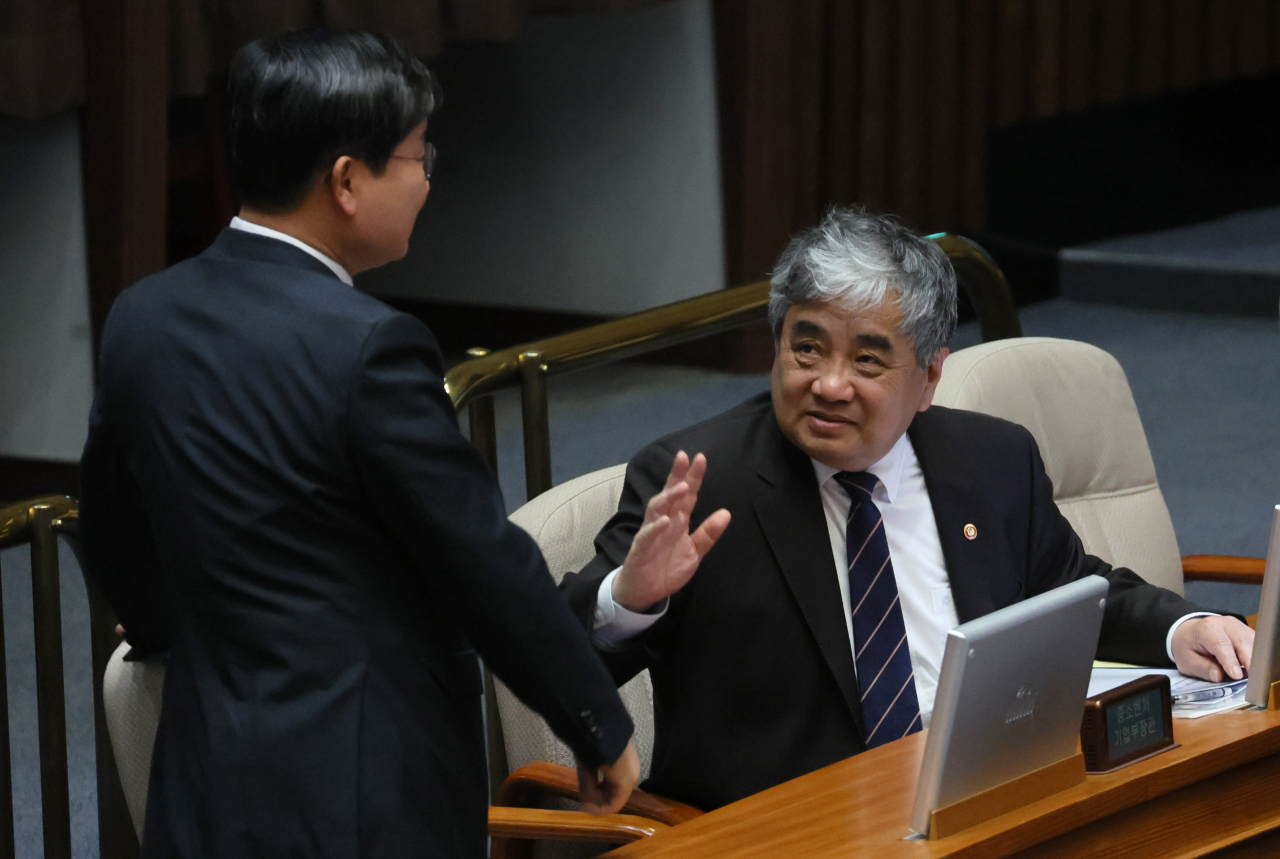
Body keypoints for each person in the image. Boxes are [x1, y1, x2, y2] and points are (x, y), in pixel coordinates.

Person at [79, 29, 638, 858]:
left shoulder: (143, 317)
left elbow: (112, 526)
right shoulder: (371, 346)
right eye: (417, 157)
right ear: (346, 180)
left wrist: (166, 634)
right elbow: (480, 559)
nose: (425, 179)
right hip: (363, 787)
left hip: (207, 766)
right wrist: (596, 722)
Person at [559, 207, 1254, 812]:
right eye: (806, 348)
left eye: (867, 361)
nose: (829, 384)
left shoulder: (991, 459)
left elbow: (1072, 588)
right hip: (793, 831)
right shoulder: (701, 481)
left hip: (977, 807)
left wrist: (1181, 627)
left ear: (930, 378)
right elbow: (555, 652)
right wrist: (630, 597)